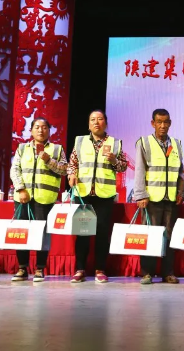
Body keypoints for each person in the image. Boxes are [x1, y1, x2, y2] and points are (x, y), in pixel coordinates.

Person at [67, 110, 127, 283]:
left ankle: (100, 269)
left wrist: (114, 160)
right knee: (82, 232)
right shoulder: (80, 141)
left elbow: (123, 167)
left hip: (104, 195)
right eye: (92, 119)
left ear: (105, 123)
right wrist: (71, 174)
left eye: (100, 119)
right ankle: (80, 269)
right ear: (88, 124)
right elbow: (72, 163)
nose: (96, 122)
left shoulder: (115, 143)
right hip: (83, 193)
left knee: (102, 233)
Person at [9, 118, 67, 282]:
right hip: (23, 197)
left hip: (45, 198)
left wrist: (48, 160)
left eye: (44, 127)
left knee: (42, 234)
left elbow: (64, 170)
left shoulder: (57, 149)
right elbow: (15, 170)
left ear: (49, 130)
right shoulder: (22, 148)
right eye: (37, 127)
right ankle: (22, 268)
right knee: (22, 232)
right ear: (31, 131)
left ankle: (40, 268)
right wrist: (21, 189)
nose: (40, 130)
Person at [133, 108, 184, 285]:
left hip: (171, 199)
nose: (162, 126)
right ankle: (147, 273)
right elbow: (139, 170)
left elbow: (180, 171)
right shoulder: (144, 142)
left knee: (169, 237)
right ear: (153, 123)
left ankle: (168, 273)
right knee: (150, 236)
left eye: (165, 122)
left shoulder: (176, 143)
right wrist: (141, 195)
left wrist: (181, 191)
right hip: (151, 199)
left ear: (170, 123)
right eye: (159, 122)